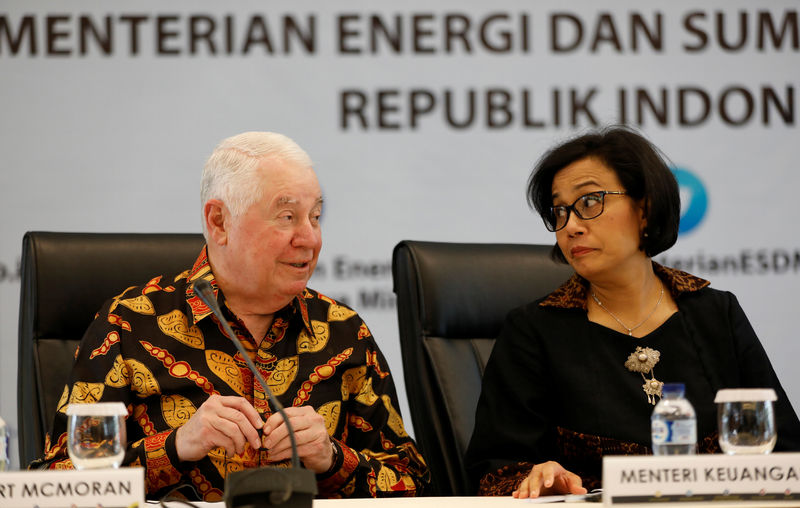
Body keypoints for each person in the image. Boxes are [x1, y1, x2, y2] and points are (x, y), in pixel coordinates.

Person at [32, 132, 429, 500]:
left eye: (316, 216)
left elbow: (417, 485)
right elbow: (59, 484)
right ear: (219, 221)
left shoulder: (343, 332)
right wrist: (176, 446)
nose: (309, 238)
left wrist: (331, 458)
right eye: (287, 217)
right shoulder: (129, 324)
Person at [464, 126, 800, 498]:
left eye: (589, 201)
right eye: (559, 211)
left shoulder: (715, 312)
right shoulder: (534, 331)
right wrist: (537, 479)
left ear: (645, 209)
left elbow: (785, 452)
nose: (571, 225)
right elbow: (493, 474)